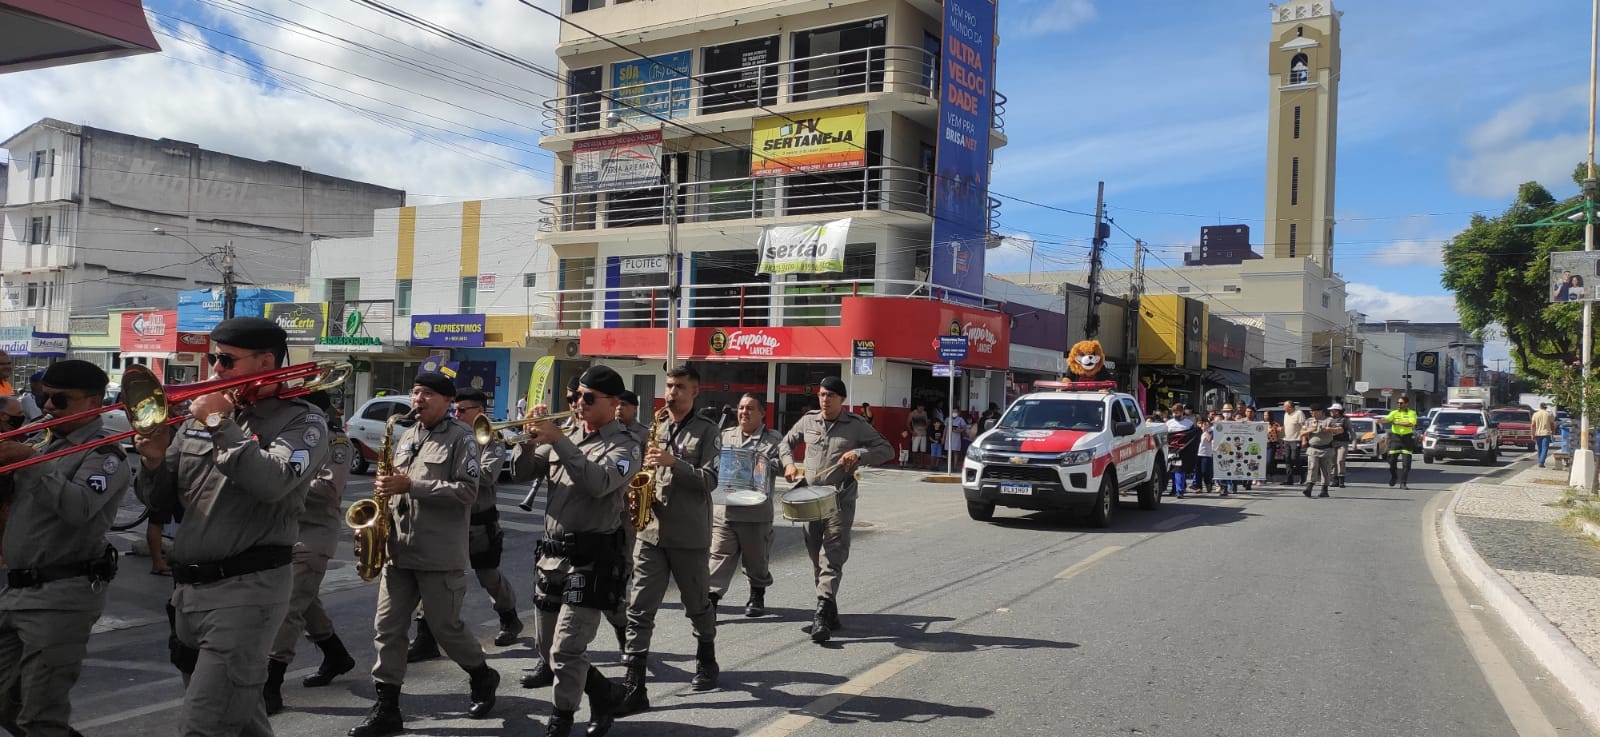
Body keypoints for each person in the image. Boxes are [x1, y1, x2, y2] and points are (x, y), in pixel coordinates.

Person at [133, 317, 331, 736]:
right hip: (189, 593)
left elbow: (272, 483)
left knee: (203, 726)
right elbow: (159, 503)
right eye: (213, 358)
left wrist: (222, 425)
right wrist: (152, 460)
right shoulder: (199, 417)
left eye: (226, 360)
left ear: (265, 361)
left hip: (248, 591)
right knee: (239, 721)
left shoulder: (302, 422)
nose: (215, 369)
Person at [349, 372, 499, 737]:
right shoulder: (408, 435)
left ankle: (482, 673)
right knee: (387, 629)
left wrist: (411, 485)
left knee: (446, 629)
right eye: (415, 393)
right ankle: (387, 707)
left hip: (438, 553)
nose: (417, 399)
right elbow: (399, 483)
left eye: (427, 394)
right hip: (398, 551)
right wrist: (387, 489)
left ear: (447, 401)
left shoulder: (462, 439)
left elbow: (467, 491)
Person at [0, 361, 129, 737]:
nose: (48, 408)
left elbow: (79, 509)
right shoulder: (40, 439)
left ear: (92, 402)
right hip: (16, 589)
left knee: (41, 715)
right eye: (44, 398)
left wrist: (28, 462)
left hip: (62, 595)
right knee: (8, 703)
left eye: (60, 400)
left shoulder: (105, 454)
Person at [508, 365, 637, 737]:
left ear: (613, 403)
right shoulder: (566, 436)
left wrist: (560, 440)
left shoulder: (625, 445)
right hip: (552, 557)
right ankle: (605, 691)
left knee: (566, 648)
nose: (578, 403)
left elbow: (599, 483)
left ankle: (561, 719)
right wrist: (527, 438)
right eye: (576, 396)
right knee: (550, 649)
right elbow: (520, 473)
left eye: (588, 398)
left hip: (592, 558)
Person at [615, 365, 722, 717]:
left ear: (695, 392)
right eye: (669, 385)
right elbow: (646, 470)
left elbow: (709, 480)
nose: (672, 392)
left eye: (679, 387)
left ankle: (706, 655)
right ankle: (634, 685)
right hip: (651, 531)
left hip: (688, 535)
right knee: (639, 607)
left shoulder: (708, 431)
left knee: (697, 604)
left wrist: (674, 462)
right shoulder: (656, 426)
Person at [780, 377, 894, 644]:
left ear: (841, 399)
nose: (824, 399)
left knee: (831, 555)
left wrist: (859, 454)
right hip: (809, 500)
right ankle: (829, 608)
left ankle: (820, 613)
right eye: (821, 394)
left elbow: (885, 449)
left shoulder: (855, 425)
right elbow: (785, 443)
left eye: (830, 395)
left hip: (838, 500)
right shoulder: (809, 421)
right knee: (815, 557)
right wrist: (788, 464)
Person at [264, 390, 358, 714]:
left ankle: (270, 686)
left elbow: (330, 489)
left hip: (315, 534)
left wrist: (285, 478)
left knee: (289, 608)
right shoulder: (291, 436)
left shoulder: (337, 443)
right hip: (287, 531)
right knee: (306, 602)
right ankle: (336, 655)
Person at [449, 389, 523, 648]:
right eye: (454, 410)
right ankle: (427, 632)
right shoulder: (450, 435)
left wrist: (453, 472)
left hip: (479, 518)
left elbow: (488, 475)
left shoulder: (491, 439)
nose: (456, 414)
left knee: (487, 574)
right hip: (451, 515)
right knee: (439, 573)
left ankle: (509, 618)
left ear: (479, 411)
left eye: (462, 410)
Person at [709, 394, 783, 619]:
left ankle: (757, 594)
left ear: (762, 413)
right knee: (718, 556)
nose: (744, 412)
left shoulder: (774, 440)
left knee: (756, 560)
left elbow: (781, 464)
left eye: (750, 408)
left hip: (755, 513)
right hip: (726, 510)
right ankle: (710, 600)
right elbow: (712, 462)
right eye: (741, 408)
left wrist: (766, 463)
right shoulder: (725, 436)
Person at [1301, 403, 1338, 497]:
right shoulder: (1309, 421)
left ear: (1320, 412)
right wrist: (1310, 432)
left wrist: (1328, 429)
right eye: (1311, 412)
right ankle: (1309, 488)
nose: (1312, 414)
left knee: (1325, 470)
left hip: (1326, 449)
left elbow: (1340, 430)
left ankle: (1324, 490)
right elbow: (1302, 432)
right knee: (1312, 467)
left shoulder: (1328, 420)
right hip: (1313, 448)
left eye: (1314, 412)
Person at [1384, 397, 1419, 490]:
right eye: (1398, 403)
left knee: (1406, 464)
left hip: (1407, 439)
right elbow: (1387, 419)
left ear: (1406, 403)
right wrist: (1378, 420)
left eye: (1401, 403)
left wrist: (1397, 422)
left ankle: (1403, 483)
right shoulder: (1394, 413)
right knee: (1391, 461)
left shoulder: (1412, 413)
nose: (1399, 404)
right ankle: (1394, 476)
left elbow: (1411, 424)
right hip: (1395, 438)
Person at [1164, 405, 1199, 496]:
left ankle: (1180, 490)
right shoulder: (1169, 423)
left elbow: (1193, 436)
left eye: (1177, 412)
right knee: (1171, 470)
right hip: (1171, 450)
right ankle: (1174, 489)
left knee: (1179, 470)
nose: (1175, 414)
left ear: (1182, 411)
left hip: (1183, 450)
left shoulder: (1189, 423)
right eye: (1174, 412)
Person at [1327, 403, 1352, 488]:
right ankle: (1335, 480)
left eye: (1332, 410)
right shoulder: (1329, 420)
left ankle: (1341, 479)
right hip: (1333, 442)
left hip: (1343, 443)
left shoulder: (1345, 420)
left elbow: (1351, 431)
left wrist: (1354, 442)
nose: (1330, 411)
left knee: (1340, 460)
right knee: (1333, 462)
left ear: (1337, 411)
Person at [1532, 403, 1558, 467]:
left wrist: (1532, 434)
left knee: (1540, 448)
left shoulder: (1535, 414)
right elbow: (1552, 424)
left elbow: (1533, 425)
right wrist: (1553, 431)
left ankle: (1540, 461)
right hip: (1546, 433)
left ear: (1540, 407)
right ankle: (1541, 462)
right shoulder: (1549, 414)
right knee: (1545, 448)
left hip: (1538, 433)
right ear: (1546, 407)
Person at [906, 405, 929, 469]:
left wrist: (926, 426)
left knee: (923, 450)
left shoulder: (925, 413)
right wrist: (912, 432)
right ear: (917, 407)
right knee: (914, 449)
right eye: (921, 407)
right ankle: (914, 463)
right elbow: (907, 423)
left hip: (923, 433)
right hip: (916, 433)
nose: (922, 409)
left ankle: (922, 464)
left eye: (923, 408)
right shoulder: (912, 413)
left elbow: (927, 422)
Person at [1196, 418, 1215, 493]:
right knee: (1198, 471)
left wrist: (1205, 430)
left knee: (1205, 471)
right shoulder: (1198, 431)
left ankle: (1208, 484)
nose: (1203, 425)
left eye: (1205, 424)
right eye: (1201, 424)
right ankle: (1199, 487)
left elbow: (1209, 439)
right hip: (1197, 453)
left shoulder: (1211, 431)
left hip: (1206, 454)